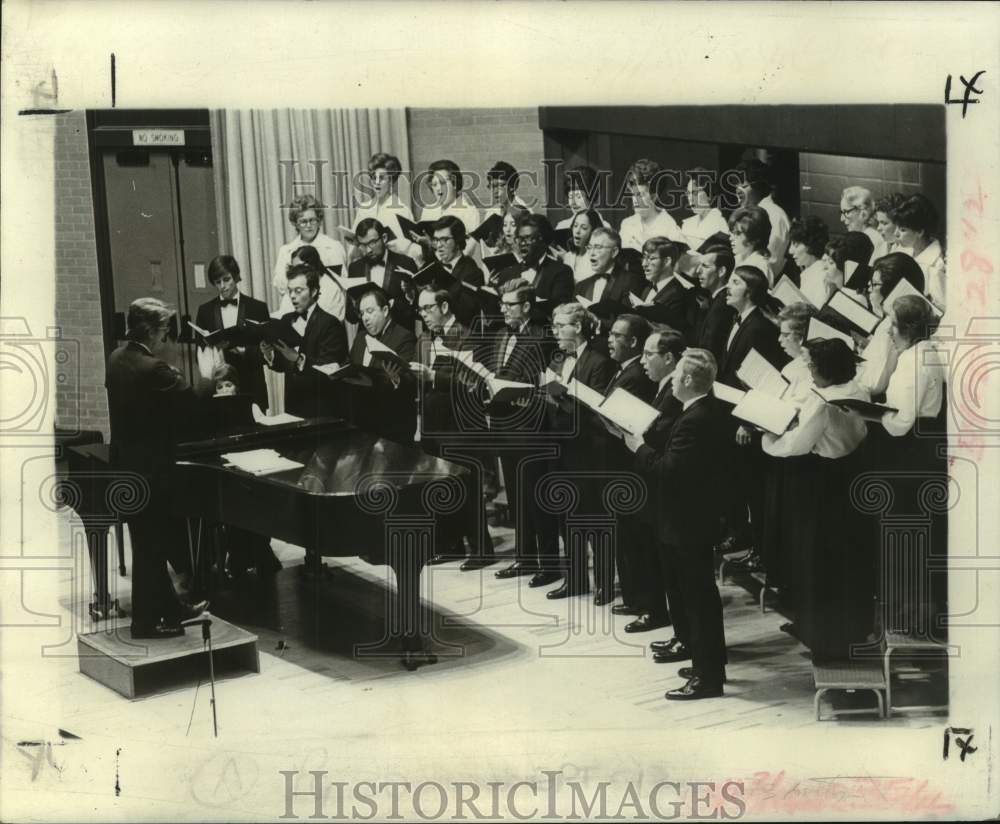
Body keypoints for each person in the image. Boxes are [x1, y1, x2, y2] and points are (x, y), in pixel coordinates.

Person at [625, 349, 729, 700]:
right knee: (696, 599)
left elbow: (668, 471)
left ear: (685, 380)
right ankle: (707, 664)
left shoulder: (695, 419)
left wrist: (639, 447)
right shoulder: (701, 411)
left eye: (673, 377)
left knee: (698, 602)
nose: (669, 382)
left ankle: (707, 677)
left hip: (688, 523)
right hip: (689, 520)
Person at [761, 338, 873, 662]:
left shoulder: (823, 402)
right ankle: (850, 630)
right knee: (847, 559)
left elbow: (796, 445)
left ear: (826, 369)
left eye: (812, 366)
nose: (809, 373)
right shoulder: (857, 389)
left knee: (817, 559)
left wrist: (768, 438)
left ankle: (824, 637)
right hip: (851, 477)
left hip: (821, 482)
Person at [105, 297, 210, 639]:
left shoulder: (116, 358)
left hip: (126, 469)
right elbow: (192, 404)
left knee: (149, 545)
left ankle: (170, 608)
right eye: (163, 330)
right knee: (152, 550)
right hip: (152, 472)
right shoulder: (154, 369)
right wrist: (207, 374)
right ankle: (145, 625)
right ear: (149, 330)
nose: (165, 337)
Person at [409, 286, 496, 571]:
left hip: (461, 424)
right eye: (420, 310)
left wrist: (433, 375)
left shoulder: (466, 335)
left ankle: (481, 549)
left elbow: (472, 382)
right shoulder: (429, 338)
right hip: (437, 423)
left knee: (466, 488)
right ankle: (452, 545)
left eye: (427, 308)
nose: (423, 315)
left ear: (445, 307)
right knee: (443, 486)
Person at [875, 294, 948, 632]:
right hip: (919, 447)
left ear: (905, 328)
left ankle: (918, 618)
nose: (888, 332)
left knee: (911, 532)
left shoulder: (915, 360)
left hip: (913, 450)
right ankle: (912, 613)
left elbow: (902, 421)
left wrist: (874, 417)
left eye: (891, 325)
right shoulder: (919, 354)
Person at [486, 279, 560, 585]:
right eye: (502, 304)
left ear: (527, 306)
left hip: (530, 429)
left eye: (510, 304)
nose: (503, 309)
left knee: (536, 498)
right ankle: (525, 558)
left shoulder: (541, 337)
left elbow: (539, 381)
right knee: (517, 497)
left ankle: (549, 564)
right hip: (505, 426)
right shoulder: (503, 334)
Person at [545, 301, 618, 599]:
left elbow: (599, 411)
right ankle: (574, 580)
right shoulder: (558, 358)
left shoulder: (599, 361)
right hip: (560, 446)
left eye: (561, 326)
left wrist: (564, 400)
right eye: (554, 326)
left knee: (594, 518)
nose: (556, 331)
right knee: (567, 517)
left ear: (578, 327)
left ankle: (603, 582)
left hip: (587, 451)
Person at [717, 265, 789, 564]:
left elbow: (762, 379)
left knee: (754, 488)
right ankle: (748, 540)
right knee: (740, 483)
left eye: (734, 283)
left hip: (746, 420)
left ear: (749, 291)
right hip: (732, 413)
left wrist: (749, 421)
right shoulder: (740, 320)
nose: (727, 287)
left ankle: (761, 551)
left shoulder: (759, 327)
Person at [616, 329, 686, 632]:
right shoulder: (663, 387)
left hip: (660, 482)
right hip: (649, 475)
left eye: (649, 354)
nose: (643, 361)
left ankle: (656, 610)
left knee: (658, 555)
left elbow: (661, 433)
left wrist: (637, 436)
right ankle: (652, 607)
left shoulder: (674, 392)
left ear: (669, 358)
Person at [757, 301, 817, 600]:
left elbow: (803, 409)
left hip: (804, 454)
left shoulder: (815, 368)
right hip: (779, 446)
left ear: (803, 336)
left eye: (785, 335)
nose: (779, 341)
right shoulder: (791, 367)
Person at [596, 313, 656, 610]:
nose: (610, 339)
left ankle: (641, 600)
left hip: (626, 465)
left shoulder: (636, 375)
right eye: (610, 333)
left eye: (617, 335)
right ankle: (634, 598)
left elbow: (625, 420)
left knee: (633, 538)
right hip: (617, 463)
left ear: (634, 342)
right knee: (625, 537)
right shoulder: (624, 370)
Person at [207, 364, 283, 580]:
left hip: (251, 467)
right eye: (219, 386)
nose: (224, 390)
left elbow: (262, 432)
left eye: (228, 385)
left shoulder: (251, 406)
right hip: (226, 471)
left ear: (236, 387)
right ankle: (246, 556)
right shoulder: (212, 409)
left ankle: (253, 555)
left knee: (254, 503)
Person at [260, 264, 348, 418]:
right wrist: (270, 355)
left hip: (321, 410)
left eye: (298, 291)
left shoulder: (330, 324)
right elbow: (285, 365)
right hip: (293, 407)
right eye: (290, 291)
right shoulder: (285, 320)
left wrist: (298, 359)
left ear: (314, 291)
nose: (292, 296)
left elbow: (330, 369)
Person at [194, 255, 271, 411]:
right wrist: (215, 350)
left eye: (227, 279)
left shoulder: (257, 308)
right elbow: (201, 351)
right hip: (220, 388)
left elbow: (268, 350)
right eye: (217, 282)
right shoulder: (205, 311)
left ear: (236, 277)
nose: (223, 286)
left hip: (252, 385)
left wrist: (244, 351)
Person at [348, 285, 418, 444]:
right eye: (362, 313)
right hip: (362, 423)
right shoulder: (360, 338)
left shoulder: (404, 337)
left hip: (392, 425)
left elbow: (410, 381)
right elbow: (351, 366)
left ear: (385, 311)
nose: (365, 318)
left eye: (370, 311)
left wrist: (395, 379)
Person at [856, 252, 926, 398]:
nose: (868, 288)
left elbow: (873, 384)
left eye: (875, 284)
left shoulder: (890, 327)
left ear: (892, 288)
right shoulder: (915, 316)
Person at [272, 194, 348, 320]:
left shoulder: (334, 247)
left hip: (330, 312)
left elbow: (342, 285)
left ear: (319, 220)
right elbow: (282, 288)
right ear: (295, 223)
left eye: (313, 220)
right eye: (303, 221)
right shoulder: (286, 251)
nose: (308, 225)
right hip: (297, 316)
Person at [495, 214, 574, 321]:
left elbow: (561, 313)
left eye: (528, 238)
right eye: (519, 238)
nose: (522, 243)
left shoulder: (561, 272)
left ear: (543, 240)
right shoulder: (506, 274)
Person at [346, 218, 418, 331]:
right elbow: (350, 317)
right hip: (367, 340)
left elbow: (414, 309)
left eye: (372, 243)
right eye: (362, 245)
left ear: (384, 238)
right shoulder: (355, 268)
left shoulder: (406, 263)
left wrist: (392, 305)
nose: (368, 250)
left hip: (400, 340)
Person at [633, 237, 698, 338]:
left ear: (667, 261)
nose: (644, 264)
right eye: (644, 258)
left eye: (651, 258)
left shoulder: (679, 295)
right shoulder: (647, 289)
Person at [891, 193, 946, 311]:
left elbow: (941, 310)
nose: (895, 234)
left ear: (920, 232)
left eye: (902, 230)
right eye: (896, 227)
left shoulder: (936, 267)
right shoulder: (901, 249)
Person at [427, 215, 485, 326]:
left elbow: (466, 314)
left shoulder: (473, 273)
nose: (439, 245)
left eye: (444, 240)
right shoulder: (433, 267)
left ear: (458, 242)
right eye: (436, 240)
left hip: (459, 338)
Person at [737, 160, 791, 276]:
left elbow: (771, 261)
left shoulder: (775, 215)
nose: (738, 190)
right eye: (736, 185)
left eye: (744, 186)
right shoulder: (748, 213)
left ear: (758, 186)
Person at [619, 158, 685, 251]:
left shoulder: (670, 227)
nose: (635, 200)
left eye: (640, 195)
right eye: (633, 194)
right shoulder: (627, 224)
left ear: (654, 197)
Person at [352, 152, 414, 244]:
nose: (377, 182)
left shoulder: (402, 211)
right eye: (373, 177)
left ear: (391, 180)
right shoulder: (363, 209)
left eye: (381, 178)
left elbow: (411, 247)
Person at [692, 245, 736, 365]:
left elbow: (708, 352)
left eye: (705, 266)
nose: (697, 271)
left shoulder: (722, 306)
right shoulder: (715, 299)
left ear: (721, 271)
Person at [787, 217, 830, 308]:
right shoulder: (809, 271)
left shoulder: (822, 276)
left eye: (796, 245)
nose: (790, 251)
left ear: (810, 245)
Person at [681, 170, 730, 250]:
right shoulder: (687, 224)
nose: (690, 198)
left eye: (695, 192)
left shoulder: (721, 223)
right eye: (688, 193)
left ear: (709, 195)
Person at [728, 206, 776, 286]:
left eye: (738, 234)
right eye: (732, 233)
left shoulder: (760, 266)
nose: (731, 238)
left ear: (754, 239)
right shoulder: (739, 258)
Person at [820, 231, 874, 299]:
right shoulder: (831, 287)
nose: (824, 268)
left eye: (831, 262)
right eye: (825, 261)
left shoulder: (856, 298)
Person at [555, 165, 611, 231]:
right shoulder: (562, 227)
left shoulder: (605, 228)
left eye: (578, 196)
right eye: (570, 197)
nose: (573, 203)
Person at [840, 186, 885, 261]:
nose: (842, 219)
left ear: (863, 213)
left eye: (846, 212)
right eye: (841, 213)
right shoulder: (863, 236)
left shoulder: (873, 239)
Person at [560, 208, 602, 282]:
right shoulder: (568, 256)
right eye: (575, 226)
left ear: (593, 231)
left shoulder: (597, 258)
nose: (577, 231)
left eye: (584, 228)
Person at [873, 193, 907, 259]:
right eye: (878, 222)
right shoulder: (882, 244)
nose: (878, 228)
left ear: (898, 224)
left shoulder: (907, 252)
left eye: (884, 223)